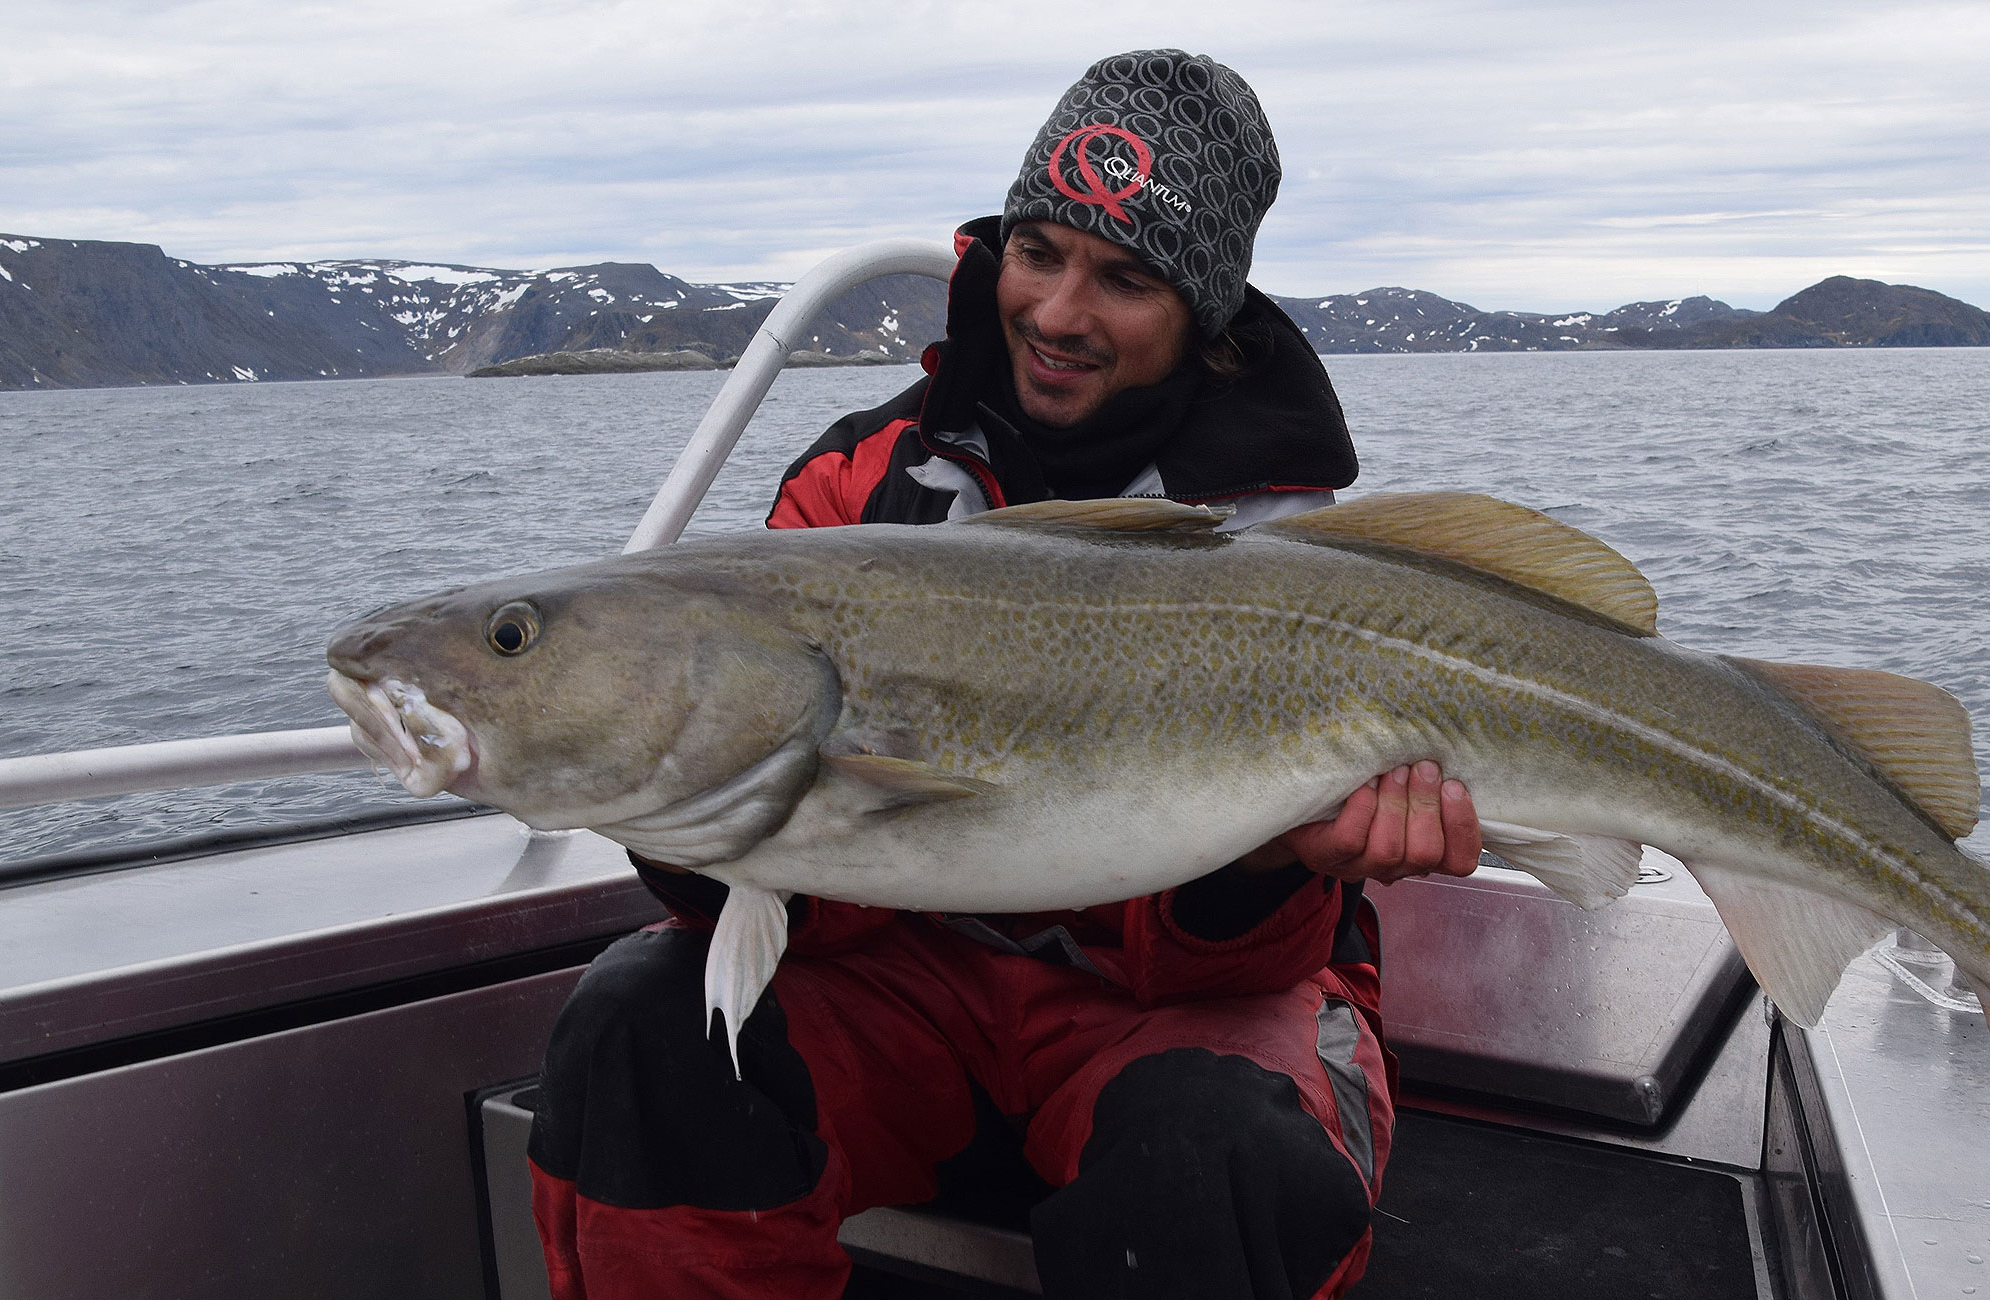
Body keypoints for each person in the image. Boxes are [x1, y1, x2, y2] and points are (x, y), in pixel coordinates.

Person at [526, 50, 1482, 1300]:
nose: (1058, 312)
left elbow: (1231, 972)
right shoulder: (854, 496)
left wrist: (1272, 863)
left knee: (1226, 1151)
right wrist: (681, 802)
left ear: (1204, 313)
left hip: (1169, 1002)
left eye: (1126, 277)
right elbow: (811, 882)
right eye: (1040, 252)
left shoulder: (1283, 552)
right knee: (642, 1023)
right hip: (901, 977)